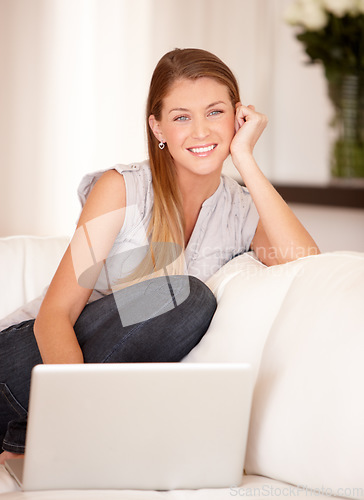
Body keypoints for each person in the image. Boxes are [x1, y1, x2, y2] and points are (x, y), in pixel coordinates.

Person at [0, 48, 319, 465]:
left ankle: (25, 441)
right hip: (26, 364)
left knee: (185, 299)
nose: (201, 131)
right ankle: (40, 433)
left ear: (238, 118)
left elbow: (308, 266)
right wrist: (73, 421)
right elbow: (54, 315)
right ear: (158, 127)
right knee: (186, 296)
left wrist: (244, 157)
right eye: (182, 116)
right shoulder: (121, 188)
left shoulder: (241, 209)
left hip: (79, 401)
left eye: (216, 112)